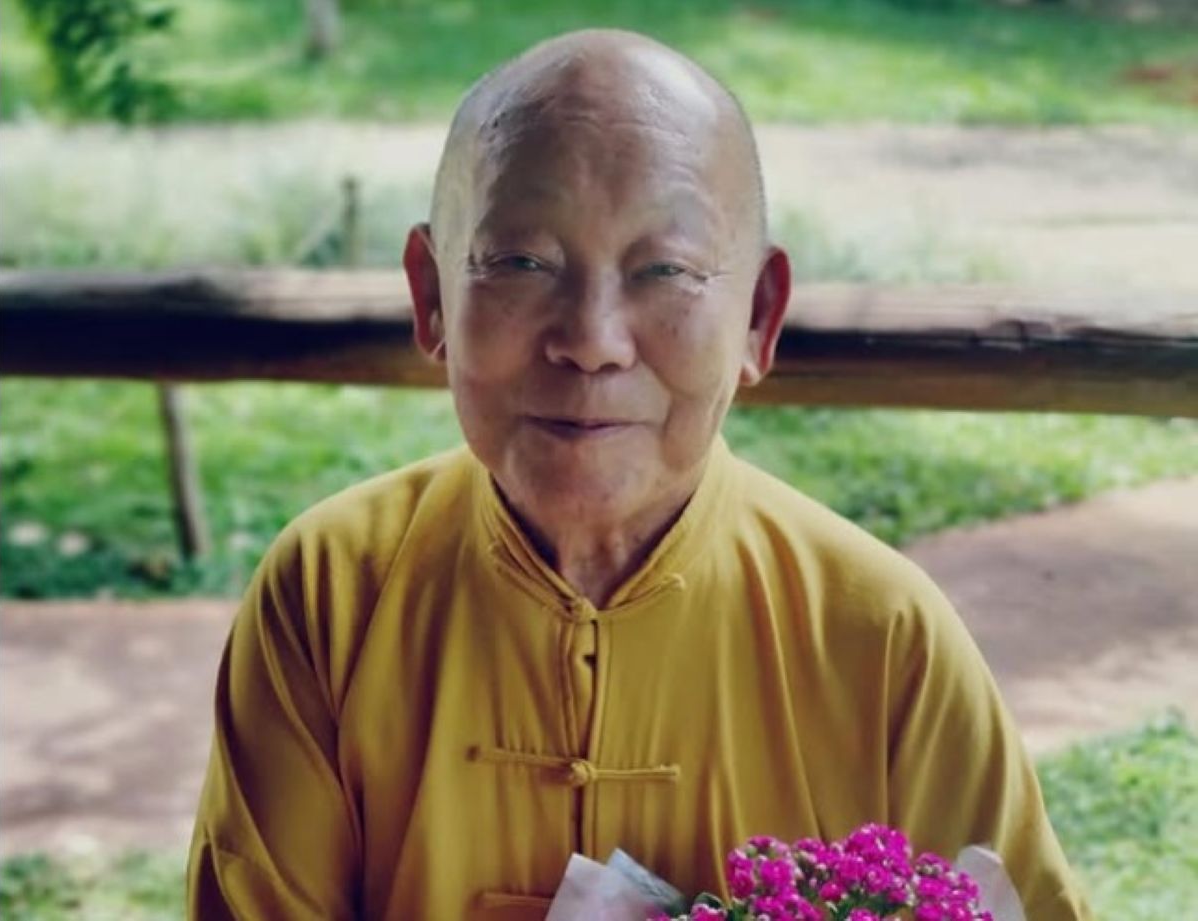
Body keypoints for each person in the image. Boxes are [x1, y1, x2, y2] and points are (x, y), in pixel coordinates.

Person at [187, 29, 1092, 921]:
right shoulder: (332, 597)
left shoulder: (881, 635)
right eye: (521, 263)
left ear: (758, 316)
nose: (592, 340)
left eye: (666, 270)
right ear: (431, 298)